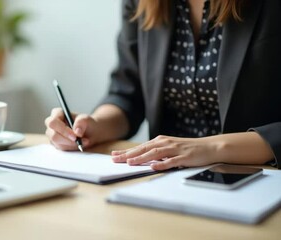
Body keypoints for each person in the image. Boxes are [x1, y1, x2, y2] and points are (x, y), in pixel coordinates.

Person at [45, 0, 281, 171]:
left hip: (261, 176)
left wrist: (214, 148)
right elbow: (127, 93)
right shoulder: (142, 3)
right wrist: (94, 125)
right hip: (165, 177)